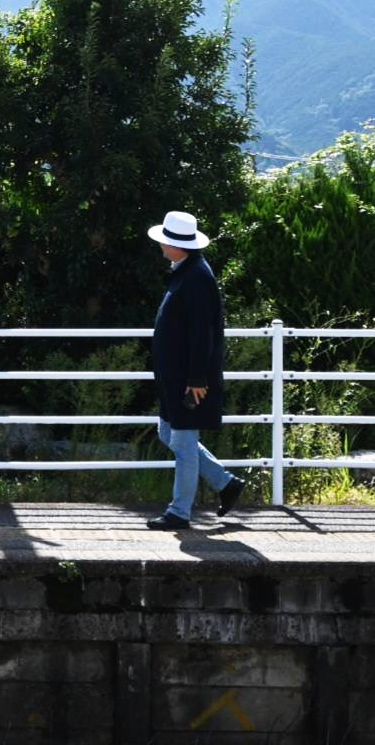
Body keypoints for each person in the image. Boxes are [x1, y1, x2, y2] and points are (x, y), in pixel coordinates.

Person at [145, 210, 245, 530]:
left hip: (187, 378)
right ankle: (225, 483)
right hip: (176, 375)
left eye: (165, 239)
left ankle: (179, 512)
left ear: (177, 244)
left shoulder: (197, 277)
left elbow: (203, 333)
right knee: (168, 433)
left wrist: (197, 379)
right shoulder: (187, 271)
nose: (161, 244)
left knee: (184, 442)